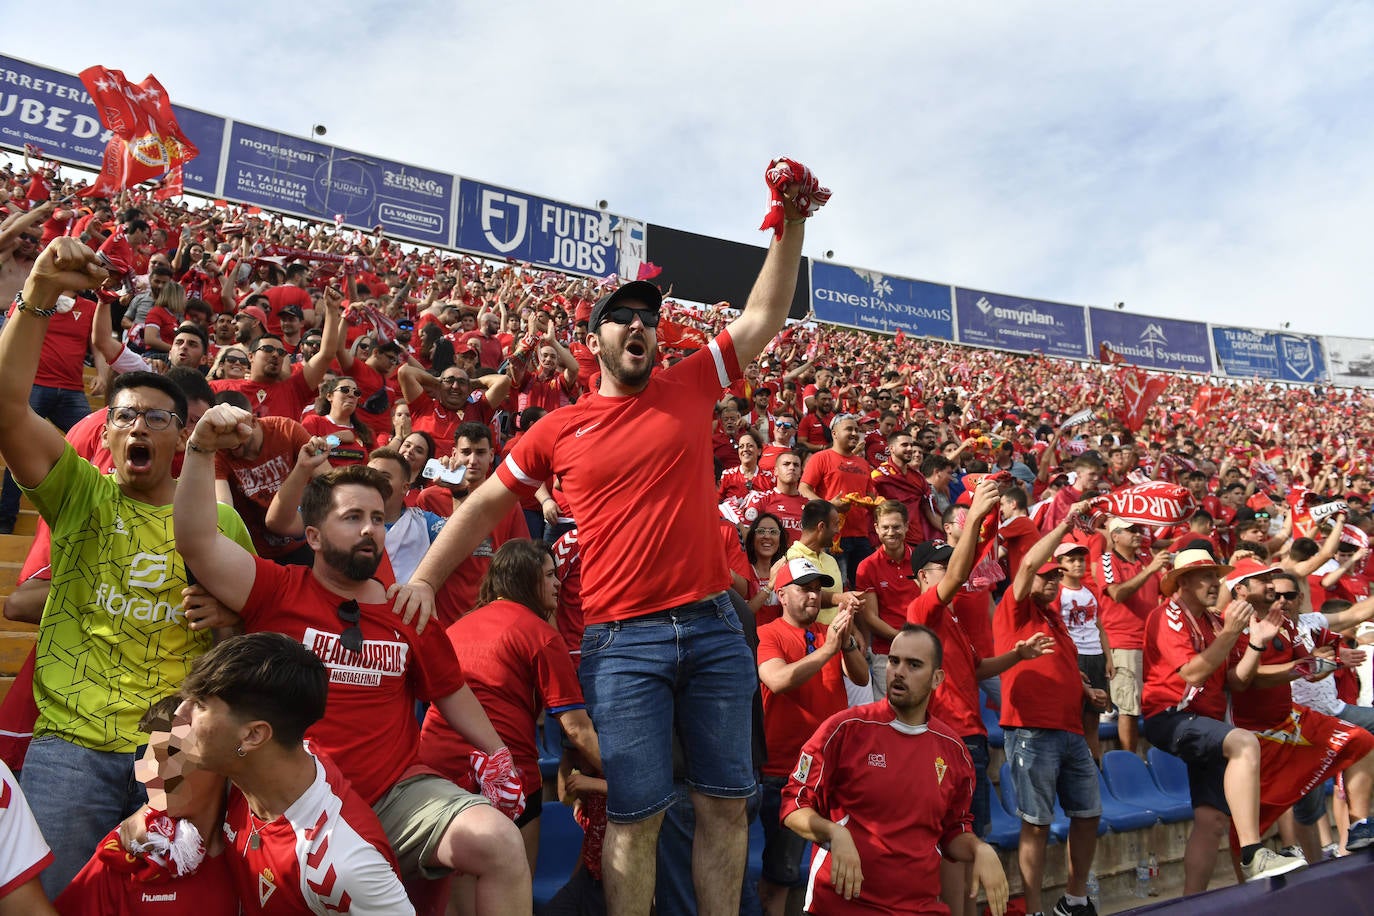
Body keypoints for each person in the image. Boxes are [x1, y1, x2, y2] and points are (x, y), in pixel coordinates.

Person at [397, 171, 821, 916]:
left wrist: (790, 222)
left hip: (715, 630)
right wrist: (428, 578)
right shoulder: (555, 429)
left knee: (727, 806)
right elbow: (486, 502)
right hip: (623, 642)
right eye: (622, 319)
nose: (639, 327)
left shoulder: (690, 383)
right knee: (634, 816)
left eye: (648, 319)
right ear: (595, 341)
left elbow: (763, 317)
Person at [174, 416, 532, 910]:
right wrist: (200, 449)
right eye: (352, 518)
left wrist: (496, 755)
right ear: (315, 537)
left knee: (498, 841)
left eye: (379, 518)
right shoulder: (277, 588)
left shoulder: (408, 608)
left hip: (395, 796)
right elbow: (197, 541)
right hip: (293, 802)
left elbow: (449, 689)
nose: (370, 529)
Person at [0, 237, 254, 895]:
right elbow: (6, 411)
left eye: (156, 418)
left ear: (179, 439)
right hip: (70, 750)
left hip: (172, 750)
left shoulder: (220, 525)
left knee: (158, 908)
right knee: (46, 902)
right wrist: (37, 297)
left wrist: (229, 616)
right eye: (125, 417)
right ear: (105, 436)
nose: (139, 427)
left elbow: (249, 649)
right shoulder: (78, 493)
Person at [173, 633, 415, 913]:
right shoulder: (252, 760)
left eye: (200, 705)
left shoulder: (342, 862)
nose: (180, 713)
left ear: (253, 735)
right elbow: (160, 762)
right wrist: (146, 816)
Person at [781, 625, 1008, 916]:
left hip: (919, 907)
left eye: (914, 665)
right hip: (841, 906)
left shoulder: (955, 752)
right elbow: (793, 804)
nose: (899, 671)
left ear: (937, 678)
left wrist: (979, 849)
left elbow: (953, 831)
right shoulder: (844, 730)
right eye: (893, 661)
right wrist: (833, 833)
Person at [418, 540, 601, 876]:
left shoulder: (456, 626)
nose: (558, 583)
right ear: (525, 580)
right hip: (506, 775)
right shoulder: (541, 635)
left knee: (454, 900)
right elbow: (576, 728)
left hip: (436, 773)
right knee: (513, 893)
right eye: (549, 575)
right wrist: (624, 779)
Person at [1140, 549, 1310, 889]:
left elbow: (1237, 680)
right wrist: (1232, 634)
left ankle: (1191, 904)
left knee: (1212, 820)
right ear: (1183, 581)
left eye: (1217, 576)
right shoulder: (1168, 615)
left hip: (1205, 722)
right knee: (1244, 741)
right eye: (1205, 575)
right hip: (1173, 715)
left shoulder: (1213, 621)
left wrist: (1257, 645)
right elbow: (1193, 672)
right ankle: (1253, 853)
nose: (1215, 582)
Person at [993, 503, 1106, 916]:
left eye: (1057, 577)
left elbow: (1064, 668)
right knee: (1036, 824)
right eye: (1049, 575)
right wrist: (1063, 525)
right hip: (1030, 731)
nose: (1054, 581)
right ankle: (1035, 909)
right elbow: (1025, 570)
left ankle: (1074, 899)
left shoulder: (1054, 620)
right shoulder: (1016, 608)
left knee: (1089, 813)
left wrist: (1086, 690)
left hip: (1070, 730)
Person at [755, 558, 868, 916]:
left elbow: (862, 677)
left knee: (832, 871)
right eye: (804, 588)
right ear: (782, 595)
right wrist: (828, 649)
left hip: (832, 774)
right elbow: (777, 680)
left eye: (818, 588)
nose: (814, 596)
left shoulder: (828, 635)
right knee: (782, 874)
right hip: (784, 774)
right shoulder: (768, 632)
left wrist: (846, 640)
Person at [55, 695, 237, 915]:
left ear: (218, 759)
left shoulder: (254, 845)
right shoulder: (126, 853)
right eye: (148, 756)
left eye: (171, 754)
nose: (150, 772)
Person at [1097, 517, 1168, 753]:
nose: (1137, 534)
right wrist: (1150, 570)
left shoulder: (1146, 560)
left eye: (1138, 530)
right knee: (1128, 707)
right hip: (1123, 642)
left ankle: (1148, 759)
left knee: (1151, 703)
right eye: (1130, 530)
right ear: (1115, 536)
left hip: (1151, 643)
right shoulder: (1107, 560)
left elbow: (1165, 590)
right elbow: (1117, 593)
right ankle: (1131, 763)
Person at [799, 414, 876, 587]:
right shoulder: (821, 457)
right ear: (834, 433)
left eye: (857, 430)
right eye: (849, 429)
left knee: (863, 588)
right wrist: (829, 507)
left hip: (861, 536)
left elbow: (870, 496)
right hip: (833, 537)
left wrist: (876, 504)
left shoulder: (863, 464)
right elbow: (803, 489)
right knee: (836, 588)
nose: (855, 433)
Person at [855, 499, 920, 695]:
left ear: (907, 526)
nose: (891, 532)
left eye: (896, 527)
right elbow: (870, 617)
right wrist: (903, 638)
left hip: (922, 648)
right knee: (889, 715)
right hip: (887, 652)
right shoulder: (867, 566)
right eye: (885, 527)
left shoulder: (921, 559)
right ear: (876, 528)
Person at [302, 375, 373, 466]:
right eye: (345, 390)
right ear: (330, 396)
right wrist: (337, 436)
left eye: (356, 392)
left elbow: (375, 463)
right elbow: (306, 451)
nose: (351, 395)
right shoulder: (314, 422)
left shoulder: (366, 432)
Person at [740, 451, 808, 537]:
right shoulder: (760, 499)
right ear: (775, 471)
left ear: (800, 473)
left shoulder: (810, 505)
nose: (792, 467)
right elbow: (746, 535)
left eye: (796, 465)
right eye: (786, 464)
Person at [743, 513, 789, 625]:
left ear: (780, 540)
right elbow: (742, 615)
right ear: (752, 538)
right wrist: (770, 586)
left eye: (773, 532)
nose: (767, 536)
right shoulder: (744, 571)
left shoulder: (786, 570)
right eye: (761, 531)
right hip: (749, 640)